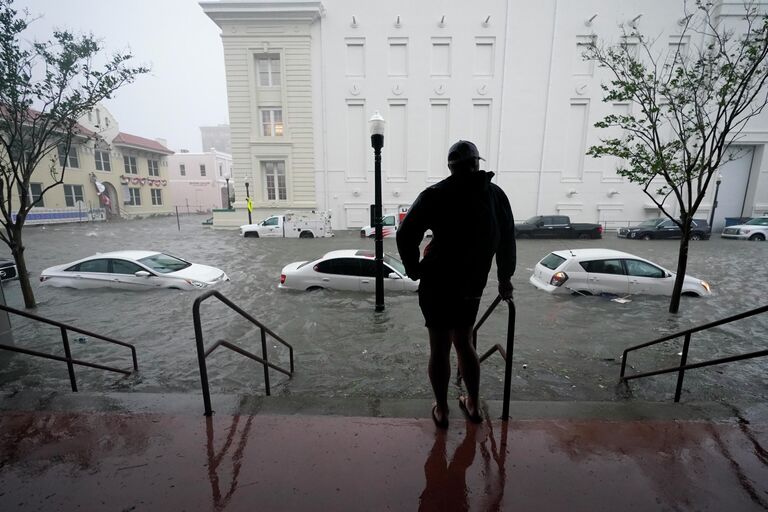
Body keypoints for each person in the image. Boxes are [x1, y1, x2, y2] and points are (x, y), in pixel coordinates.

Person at [396, 140, 516, 429]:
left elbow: (405, 234)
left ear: (450, 167)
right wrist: (504, 279)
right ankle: (473, 405)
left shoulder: (436, 195)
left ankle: (443, 410)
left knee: (439, 347)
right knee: (464, 342)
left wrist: (414, 269)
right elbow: (507, 241)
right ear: (477, 164)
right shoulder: (495, 196)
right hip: (472, 285)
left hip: (436, 283)